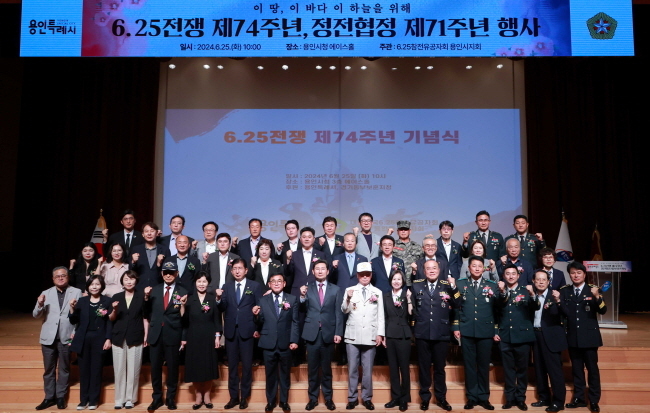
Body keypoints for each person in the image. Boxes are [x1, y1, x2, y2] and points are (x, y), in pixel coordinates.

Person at [556, 262, 607, 413]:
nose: (576, 275)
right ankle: (579, 398)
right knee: (577, 370)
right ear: (569, 275)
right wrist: (558, 301)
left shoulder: (593, 289)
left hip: (590, 337)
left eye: (579, 272)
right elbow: (565, 312)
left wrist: (596, 296)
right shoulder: (565, 291)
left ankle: (594, 400)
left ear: (584, 274)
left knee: (592, 370)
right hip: (572, 337)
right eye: (573, 273)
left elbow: (603, 310)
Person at [412, 260, 460, 411]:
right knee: (424, 367)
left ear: (439, 270)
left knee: (440, 368)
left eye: (434, 268)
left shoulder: (447, 285)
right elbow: (413, 308)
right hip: (423, 332)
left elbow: (458, 304)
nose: (432, 271)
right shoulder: (416, 285)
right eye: (428, 268)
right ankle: (425, 398)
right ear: (424, 271)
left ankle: (441, 398)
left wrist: (453, 286)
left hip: (441, 332)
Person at [453, 256, 499, 410]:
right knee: (469, 366)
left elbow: (496, 311)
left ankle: (484, 397)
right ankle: (472, 397)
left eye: (480, 266)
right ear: (469, 268)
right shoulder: (460, 284)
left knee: (484, 365)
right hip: (466, 330)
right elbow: (456, 308)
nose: (477, 268)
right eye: (474, 265)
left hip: (485, 330)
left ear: (484, 268)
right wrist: (456, 327)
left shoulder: (491, 285)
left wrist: (495, 330)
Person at [216, 258, 263, 410]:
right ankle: (234, 397)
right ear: (231, 271)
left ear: (246, 270)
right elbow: (222, 307)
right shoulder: (227, 286)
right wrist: (218, 299)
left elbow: (259, 307)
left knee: (247, 366)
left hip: (247, 331)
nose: (237, 271)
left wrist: (257, 327)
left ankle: (244, 397)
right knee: (232, 366)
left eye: (240, 268)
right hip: (231, 331)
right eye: (235, 268)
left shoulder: (254, 286)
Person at [33, 267, 83, 410]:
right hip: (48, 336)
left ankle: (61, 397)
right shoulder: (46, 293)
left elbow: (80, 315)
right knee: (48, 369)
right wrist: (40, 304)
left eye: (63, 275)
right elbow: (36, 315)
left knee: (64, 368)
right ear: (53, 279)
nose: (60, 278)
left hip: (66, 335)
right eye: (57, 276)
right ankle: (49, 397)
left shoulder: (76, 292)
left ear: (68, 277)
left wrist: (75, 332)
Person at [299, 260, 344, 411]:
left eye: (322, 269)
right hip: (312, 333)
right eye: (317, 269)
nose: (320, 271)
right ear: (313, 272)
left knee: (326, 369)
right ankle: (312, 399)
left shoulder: (335, 289)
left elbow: (338, 313)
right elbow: (302, 308)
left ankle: (328, 399)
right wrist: (302, 296)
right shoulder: (307, 288)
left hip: (328, 333)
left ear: (328, 271)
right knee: (312, 369)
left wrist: (338, 332)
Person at [144, 261, 188, 411]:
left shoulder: (183, 291)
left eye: (171, 272)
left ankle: (170, 398)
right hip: (156, 333)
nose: (168, 275)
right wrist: (145, 297)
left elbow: (185, 318)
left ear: (177, 274)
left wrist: (183, 305)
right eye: (165, 272)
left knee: (173, 368)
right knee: (155, 368)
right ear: (161, 274)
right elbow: (145, 312)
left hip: (173, 333)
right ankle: (156, 398)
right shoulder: (154, 290)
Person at [253, 274, 300, 412]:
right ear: (269, 284)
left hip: (286, 342)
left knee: (285, 374)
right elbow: (260, 322)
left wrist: (294, 340)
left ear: (284, 283)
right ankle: (271, 401)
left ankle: (284, 401)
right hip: (268, 342)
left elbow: (295, 321)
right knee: (270, 375)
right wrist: (256, 315)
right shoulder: (262, 300)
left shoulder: (292, 299)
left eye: (279, 281)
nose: (276, 283)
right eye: (273, 281)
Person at [341, 262, 385, 410]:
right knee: (352, 369)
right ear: (357, 276)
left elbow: (380, 315)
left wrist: (380, 334)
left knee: (368, 370)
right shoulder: (349, 290)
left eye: (367, 274)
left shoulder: (377, 292)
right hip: (352, 335)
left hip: (370, 335)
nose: (365, 277)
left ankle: (367, 398)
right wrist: (348, 298)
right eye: (362, 274)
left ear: (371, 275)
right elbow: (344, 310)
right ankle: (352, 398)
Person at [496, 264, 538, 411]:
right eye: (507, 273)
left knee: (522, 370)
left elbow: (536, 306)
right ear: (503, 276)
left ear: (518, 276)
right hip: (505, 336)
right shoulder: (498, 291)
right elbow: (496, 309)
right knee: (508, 370)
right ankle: (509, 399)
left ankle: (520, 398)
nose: (511, 276)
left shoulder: (526, 290)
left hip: (523, 336)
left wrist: (532, 294)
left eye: (513, 273)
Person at [69, 275, 113, 410]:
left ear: (102, 286)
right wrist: (72, 308)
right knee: (84, 370)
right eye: (92, 284)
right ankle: (83, 400)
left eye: (97, 284)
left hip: (99, 339)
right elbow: (74, 320)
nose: (94, 287)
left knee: (96, 370)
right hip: (83, 339)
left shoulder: (107, 301)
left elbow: (109, 322)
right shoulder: (82, 301)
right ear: (88, 287)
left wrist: (108, 338)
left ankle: (93, 400)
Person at [109, 270, 147, 410]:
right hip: (118, 336)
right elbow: (111, 318)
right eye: (126, 279)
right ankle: (119, 399)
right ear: (122, 281)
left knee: (133, 369)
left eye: (131, 279)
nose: (129, 281)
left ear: (136, 281)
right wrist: (114, 309)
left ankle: (130, 399)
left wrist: (146, 336)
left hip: (136, 336)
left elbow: (145, 318)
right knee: (119, 370)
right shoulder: (116, 296)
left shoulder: (141, 296)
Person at [184, 271, 222, 410]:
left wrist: (217, 336)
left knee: (208, 367)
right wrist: (182, 306)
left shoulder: (212, 299)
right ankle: (198, 396)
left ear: (208, 283)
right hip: (193, 337)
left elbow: (217, 319)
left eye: (204, 281)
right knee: (195, 367)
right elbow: (184, 321)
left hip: (209, 336)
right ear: (195, 283)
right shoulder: (189, 299)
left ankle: (207, 396)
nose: (201, 284)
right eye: (199, 281)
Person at [530, 270, 567, 413]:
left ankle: (558, 401)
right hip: (536, 335)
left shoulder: (555, 295)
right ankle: (544, 398)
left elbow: (566, 314)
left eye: (543, 279)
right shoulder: (530, 295)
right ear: (533, 281)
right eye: (538, 279)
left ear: (548, 281)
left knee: (554, 371)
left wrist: (558, 301)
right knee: (539, 369)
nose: (541, 282)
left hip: (551, 337)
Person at [382, 270, 413, 412]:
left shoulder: (407, 295)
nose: (396, 281)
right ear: (390, 281)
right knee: (393, 368)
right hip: (390, 334)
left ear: (403, 281)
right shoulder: (386, 296)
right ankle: (395, 397)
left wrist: (409, 299)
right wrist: (383, 335)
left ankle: (404, 398)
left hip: (404, 335)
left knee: (404, 368)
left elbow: (411, 314)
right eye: (394, 279)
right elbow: (383, 317)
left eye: (399, 279)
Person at [286, 227, 326, 297]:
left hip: (316, 291)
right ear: (300, 239)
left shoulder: (321, 255)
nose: (306, 239)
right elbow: (288, 273)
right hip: (297, 291)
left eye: (309, 237)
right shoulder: (294, 255)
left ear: (314, 239)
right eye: (304, 237)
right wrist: (288, 260)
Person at [130, 222, 171, 290]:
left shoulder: (165, 250)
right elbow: (131, 272)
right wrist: (133, 262)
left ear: (157, 233)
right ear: (143, 234)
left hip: (158, 288)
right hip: (139, 288)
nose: (149, 233)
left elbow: (168, 272)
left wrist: (159, 265)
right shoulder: (136, 249)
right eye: (146, 231)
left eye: (152, 231)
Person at [392, 220, 422, 286]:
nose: (403, 231)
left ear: (410, 231)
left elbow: (422, 264)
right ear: (397, 231)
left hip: (414, 282)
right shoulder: (392, 245)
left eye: (405, 229)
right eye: (401, 229)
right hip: (397, 282)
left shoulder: (417, 247)